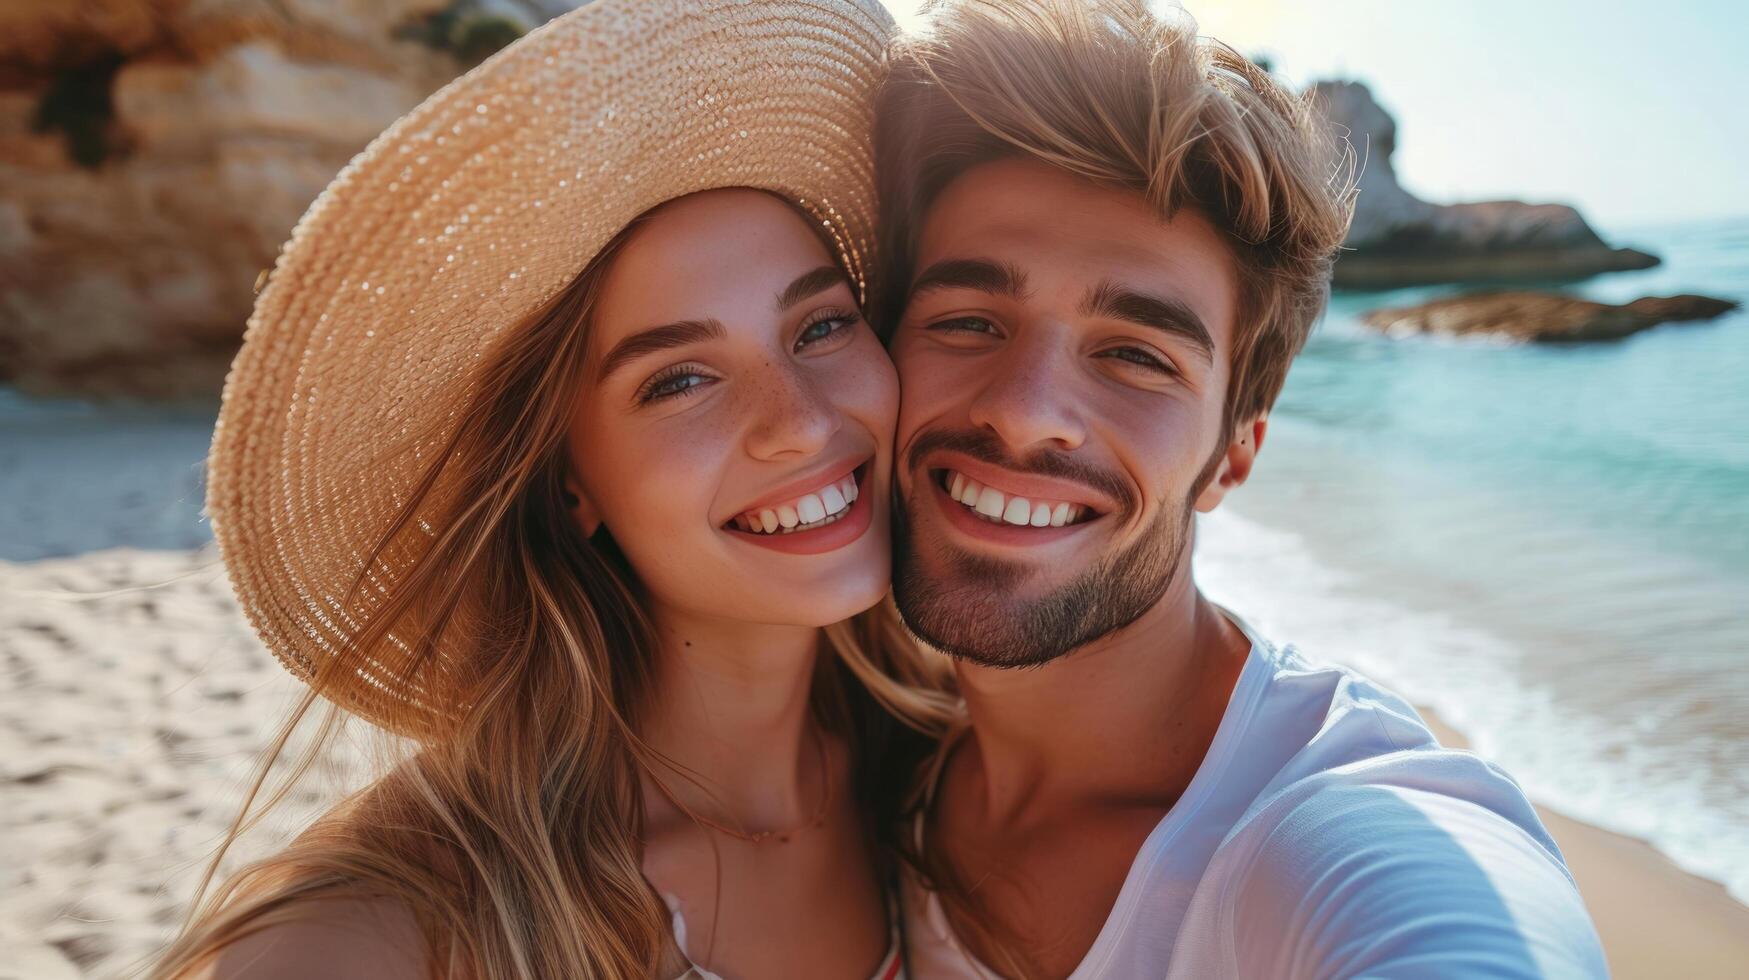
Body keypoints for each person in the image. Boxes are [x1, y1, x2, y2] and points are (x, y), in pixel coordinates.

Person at [153, 2, 956, 978]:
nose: (798, 418)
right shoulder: (381, 936)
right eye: (678, 380)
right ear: (569, 485)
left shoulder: (956, 781)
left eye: (821, 326)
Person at [873, 1, 1609, 977]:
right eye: (968, 320)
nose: (1023, 412)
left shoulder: (1334, 818)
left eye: (1134, 354)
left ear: (1234, 453)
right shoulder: (867, 755)